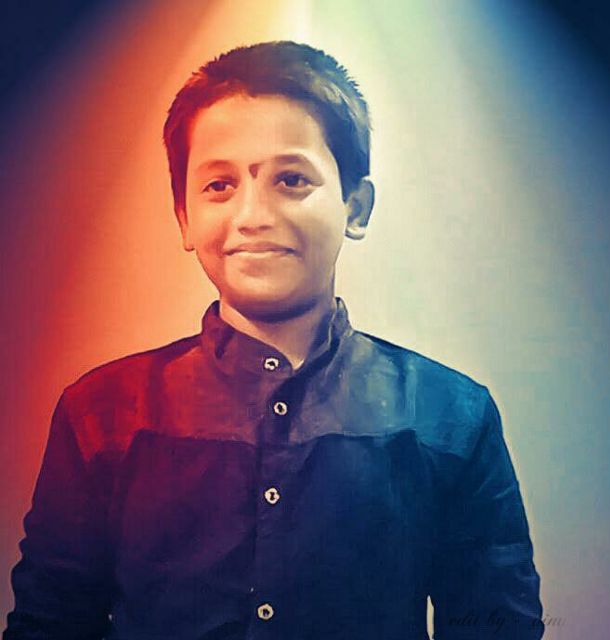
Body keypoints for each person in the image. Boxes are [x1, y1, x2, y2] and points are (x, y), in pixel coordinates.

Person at [3, 41, 544, 639]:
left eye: (291, 179)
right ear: (184, 216)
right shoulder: (102, 413)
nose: (253, 215)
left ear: (356, 207)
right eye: (219, 185)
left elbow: (498, 626)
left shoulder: (451, 417)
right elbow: (49, 625)